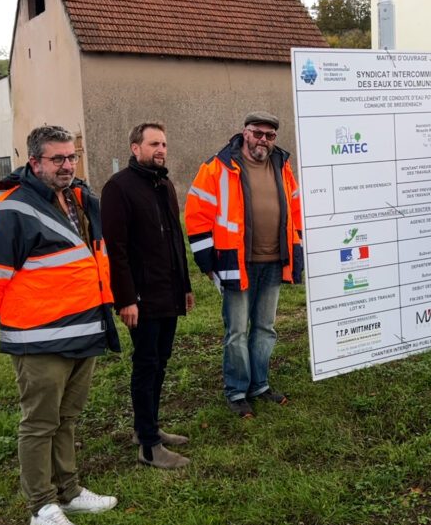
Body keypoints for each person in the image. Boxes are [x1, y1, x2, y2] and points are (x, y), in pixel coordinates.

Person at [0, 125, 120, 525]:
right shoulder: (13, 208)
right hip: (39, 340)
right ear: (34, 162)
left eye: (72, 157)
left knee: (67, 418)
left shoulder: (80, 198)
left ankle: (67, 491)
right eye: (58, 159)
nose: (67, 165)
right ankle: (41, 507)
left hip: (84, 330)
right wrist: (20, 322)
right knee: (39, 423)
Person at [184, 111, 303, 418]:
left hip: (275, 261)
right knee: (236, 330)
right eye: (257, 133)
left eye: (270, 135)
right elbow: (197, 216)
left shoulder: (282, 165)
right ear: (245, 132)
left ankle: (259, 385)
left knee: (265, 328)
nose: (263, 140)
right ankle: (237, 390)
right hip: (236, 262)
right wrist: (207, 262)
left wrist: (297, 247)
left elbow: (295, 208)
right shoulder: (218, 167)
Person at [101, 122, 194, 469]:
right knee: (146, 364)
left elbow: (174, 241)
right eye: (154, 143)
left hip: (168, 291)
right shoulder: (118, 188)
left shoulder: (165, 184)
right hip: (140, 298)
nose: (161, 149)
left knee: (162, 360)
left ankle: (148, 428)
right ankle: (149, 447)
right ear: (135, 147)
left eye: (165, 144)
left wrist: (185, 286)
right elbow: (116, 250)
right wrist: (125, 298)